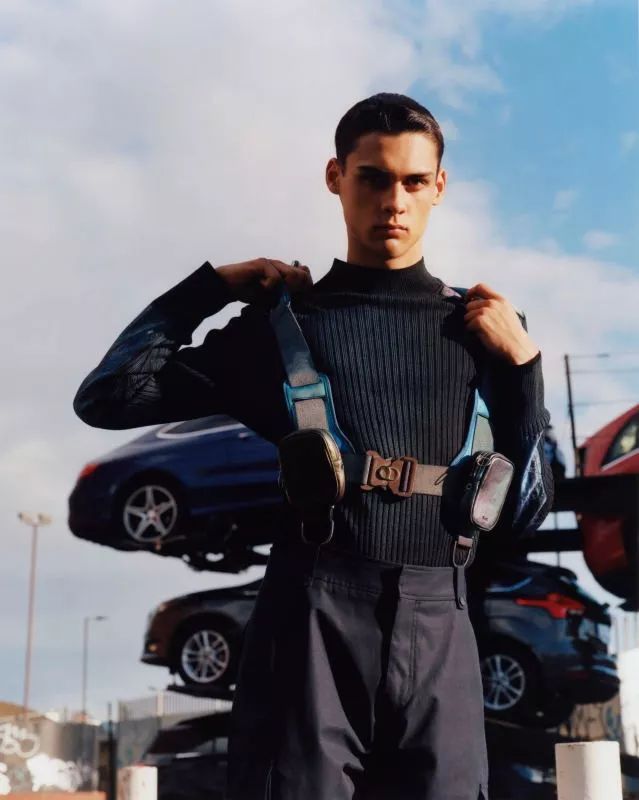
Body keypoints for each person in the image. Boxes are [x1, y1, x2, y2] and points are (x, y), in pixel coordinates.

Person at [73, 93, 554, 799]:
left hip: (442, 624)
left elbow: (523, 515)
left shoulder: (485, 333)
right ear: (336, 177)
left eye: (414, 181)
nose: (394, 201)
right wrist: (212, 287)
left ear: (439, 187)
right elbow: (109, 396)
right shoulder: (283, 329)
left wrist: (525, 370)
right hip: (309, 627)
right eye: (373, 178)